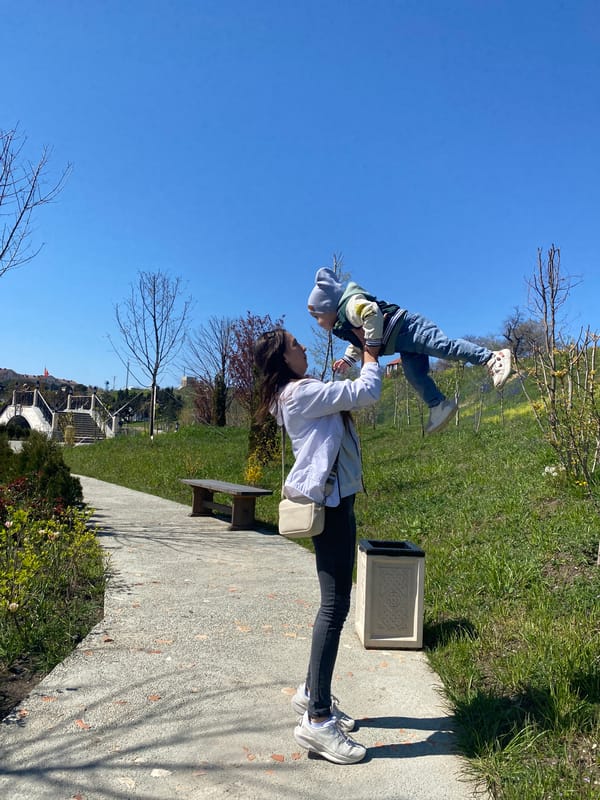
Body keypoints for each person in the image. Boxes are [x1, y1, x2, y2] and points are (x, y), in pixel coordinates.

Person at [253, 327, 382, 765]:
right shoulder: (299, 394)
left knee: (334, 603)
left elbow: (340, 403)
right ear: (282, 360)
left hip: (335, 500)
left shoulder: (296, 393)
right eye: (295, 345)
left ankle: (312, 691)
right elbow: (366, 392)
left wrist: (340, 376)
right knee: (334, 606)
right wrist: (371, 351)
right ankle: (318, 718)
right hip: (332, 505)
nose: (303, 347)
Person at [307, 267, 513, 434]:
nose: (318, 322)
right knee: (414, 375)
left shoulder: (350, 307)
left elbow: (371, 312)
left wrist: (372, 346)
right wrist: (348, 359)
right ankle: (438, 405)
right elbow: (359, 340)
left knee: (444, 347)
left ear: (329, 306)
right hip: (402, 343)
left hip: (410, 328)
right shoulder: (343, 323)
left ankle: (492, 357)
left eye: (317, 316)